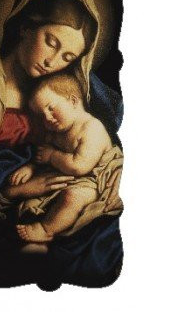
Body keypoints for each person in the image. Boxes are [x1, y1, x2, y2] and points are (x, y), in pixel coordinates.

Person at [0, 0, 123, 287]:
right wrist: (16, 190)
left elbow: (99, 148)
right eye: (51, 42)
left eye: (68, 56)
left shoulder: (60, 92)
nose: (52, 62)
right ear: (27, 27)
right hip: (12, 203)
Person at [12, 73, 123, 243]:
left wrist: (52, 156)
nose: (47, 118)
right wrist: (30, 168)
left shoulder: (92, 128)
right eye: (41, 115)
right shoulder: (56, 131)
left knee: (72, 197)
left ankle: (46, 230)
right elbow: (42, 156)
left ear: (73, 101)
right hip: (71, 177)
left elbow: (79, 166)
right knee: (32, 202)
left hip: (97, 181)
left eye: (51, 108)